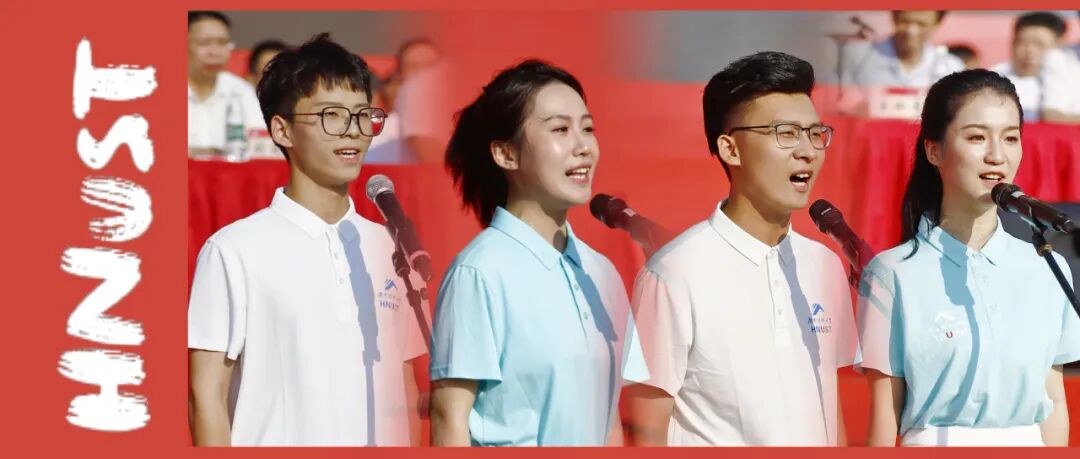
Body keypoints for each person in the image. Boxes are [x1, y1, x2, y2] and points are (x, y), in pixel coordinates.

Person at [188, 33, 425, 447]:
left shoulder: (391, 248)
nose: (353, 132)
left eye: (362, 115)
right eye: (332, 115)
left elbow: (403, 389)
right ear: (282, 130)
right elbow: (205, 397)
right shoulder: (233, 250)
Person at [624, 51, 859, 446]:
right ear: (730, 149)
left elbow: (829, 409)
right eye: (787, 133)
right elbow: (647, 431)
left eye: (815, 133)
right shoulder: (673, 273)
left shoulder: (825, 266)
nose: (807, 150)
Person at [428, 59, 648, 446]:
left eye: (588, 128)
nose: (583, 147)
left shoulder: (602, 273)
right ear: (506, 154)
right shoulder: (480, 272)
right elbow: (449, 419)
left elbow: (609, 418)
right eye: (561, 129)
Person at [858, 69, 1080, 447]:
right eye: (976, 137)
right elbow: (884, 414)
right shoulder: (892, 273)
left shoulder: (1048, 266)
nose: (997, 155)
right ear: (934, 150)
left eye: (1010, 137)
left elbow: (1054, 402)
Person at [187, 11, 266, 157]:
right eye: (205, 43)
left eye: (222, 43)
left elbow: (259, 144)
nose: (215, 52)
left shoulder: (241, 90)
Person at [841, 11, 965, 88]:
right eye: (905, 22)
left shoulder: (951, 68)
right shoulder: (858, 58)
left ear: (936, 24)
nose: (911, 31)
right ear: (894, 17)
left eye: (921, 24)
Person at [992, 12, 1068, 122]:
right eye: (1022, 43)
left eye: (1039, 44)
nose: (1029, 51)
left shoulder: (1069, 82)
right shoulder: (995, 78)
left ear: (1060, 45)